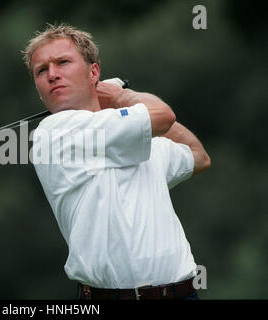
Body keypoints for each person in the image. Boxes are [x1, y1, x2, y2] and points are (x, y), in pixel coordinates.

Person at [23, 24, 210, 300]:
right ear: (39, 89)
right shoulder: (54, 132)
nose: (52, 74)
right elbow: (164, 116)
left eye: (62, 62)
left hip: (184, 293)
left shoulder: (133, 138)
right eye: (41, 70)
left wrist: (122, 107)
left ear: (93, 72)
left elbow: (198, 156)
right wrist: (122, 98)